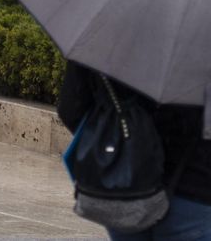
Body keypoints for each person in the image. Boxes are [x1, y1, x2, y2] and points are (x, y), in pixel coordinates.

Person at [57, 61, 211, 240]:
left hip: (124, 183)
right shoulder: (203, 38)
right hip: (195, 189)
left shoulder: (109, 35)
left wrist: (114, 143)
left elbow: (71, 108)